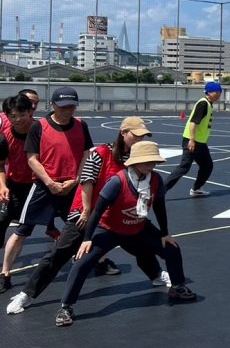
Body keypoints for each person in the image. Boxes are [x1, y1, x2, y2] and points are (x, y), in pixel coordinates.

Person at [6, 117, 168, 316]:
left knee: (141, 243)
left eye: (143, 136)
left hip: (118, 217)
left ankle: (156, 275)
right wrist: (85, 211)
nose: (140, 139)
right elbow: (86, 181)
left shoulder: (139, 159)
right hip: (88, 214)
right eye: (136, 135)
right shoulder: (101, 153)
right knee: (59, 253)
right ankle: (27, 294)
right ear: (123, 133)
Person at [54, 140, 197, 327]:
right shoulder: (117, 181)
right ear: (135, 161)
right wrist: (87, 239)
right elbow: (97, 211)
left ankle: (177, 287)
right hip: (110, 229)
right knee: (83, 263)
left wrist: (164, 234)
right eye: (146, 161)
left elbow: (160, 207)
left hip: (138, 227)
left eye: (153, 162)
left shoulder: (155, 180)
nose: (151, 165)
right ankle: (66, 307)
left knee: (171, 248)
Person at [1, 87, 92, 284]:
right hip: (38, 186)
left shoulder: (80, 125)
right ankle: (5, 273)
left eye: (71, 106)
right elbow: (30, 159)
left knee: (86, 226)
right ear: (52, 105)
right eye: (63, 106)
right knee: (21, 230)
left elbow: (86, 154)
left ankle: (100, 261)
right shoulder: (36, 128)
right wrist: (49, 182)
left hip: (69, 186)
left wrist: (76, 179)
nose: (67, 110)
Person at [0, 94, 34, 293]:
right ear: (7, 116)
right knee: (3, 219)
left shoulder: (41, 131)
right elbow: (0, 166)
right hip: (14, 185)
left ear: (30, 112)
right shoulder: (4, 136)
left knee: (75, 224)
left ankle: (98, 258)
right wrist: (2, 186)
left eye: (22, 114)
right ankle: (6, 274)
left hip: (40, 187)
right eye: (13, 115)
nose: (18, 119)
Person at [165, 81, 222, 197]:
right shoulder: (203, 104)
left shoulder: (208, 103)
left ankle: (196, 188)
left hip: (200, 142)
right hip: (193, 141)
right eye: (216, 92)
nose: (218, 95)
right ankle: (160, 190)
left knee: (207, 165)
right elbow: (193, 123)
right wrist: (191, 140)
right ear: (209, 92)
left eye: (220, 92)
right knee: (184, 167)